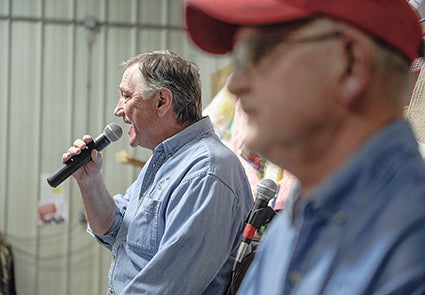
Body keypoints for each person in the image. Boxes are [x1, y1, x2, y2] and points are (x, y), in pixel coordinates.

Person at [184, 0, 425, 294]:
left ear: (350, 64)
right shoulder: (289, 228)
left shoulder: (412, 242)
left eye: (256, 53)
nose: (234, 85)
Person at [62, 50, 254, 294]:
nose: (117, 110)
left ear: (162, 101)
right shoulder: (167, 159)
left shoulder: (206, 171)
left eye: (126, 96)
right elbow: (113, 228)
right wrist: (89, 181)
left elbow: (167, 288)